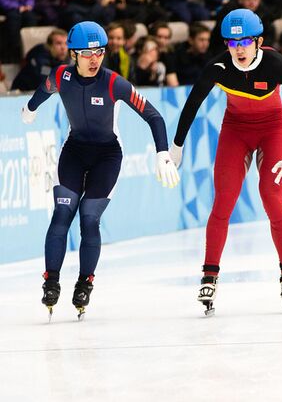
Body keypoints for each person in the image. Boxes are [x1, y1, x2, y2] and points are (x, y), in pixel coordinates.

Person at [21, 21, 179, 319]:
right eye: (88, 53)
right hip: (74, 152)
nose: (95, 59)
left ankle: (84, 283)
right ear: (74, 54)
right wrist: (30, 108)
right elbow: (44, 91)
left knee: (89, 219)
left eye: (100, 53)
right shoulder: (61, 75)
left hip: (107, 156)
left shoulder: (113, 82)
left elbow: (154, 116)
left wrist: (162, 153)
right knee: (62, 213)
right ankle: (51, 281)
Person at [167, 8, 282, 315]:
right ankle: (209, 274)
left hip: (273, 128)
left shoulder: (276, 64)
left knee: (272, 198)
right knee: (223, 201)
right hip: (235, 130)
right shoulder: (218, 67)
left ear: (259, 41)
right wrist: (176, 145)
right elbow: (192, 105)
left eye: (245, 42)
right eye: (232, 43)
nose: (239, 49)